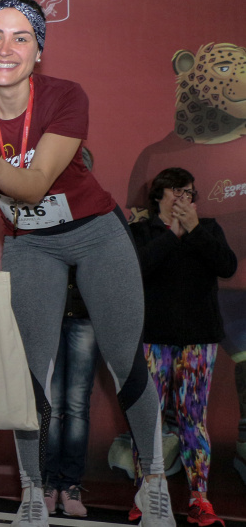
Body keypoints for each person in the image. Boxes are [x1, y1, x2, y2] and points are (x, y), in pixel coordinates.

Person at [0, 0, 173, 527]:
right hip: (30, 243)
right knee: (29, 374)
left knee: (124, 360)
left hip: (94, 233)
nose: (5, 48)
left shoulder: (64, 96)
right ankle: (31, 493)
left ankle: (154, 485)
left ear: (38, 53)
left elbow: (33, 187)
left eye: (21, 38)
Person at [130, 167, 237, 527]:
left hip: (199, 339)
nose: (183, 198)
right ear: (159, 194)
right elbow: (137, 269)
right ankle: (145, 496)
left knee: (193, 419)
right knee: (148, 419)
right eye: (176, 191)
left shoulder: (207, 228)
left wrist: (191, 229)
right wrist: (172, 233)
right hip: (153, 338)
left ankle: (199, 499)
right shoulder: (141, 231)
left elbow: (227, 265)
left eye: (189, 192)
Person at [43, 266, 98, 518]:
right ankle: (48, 483)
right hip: (48, 313)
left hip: (86, 314)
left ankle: (71, 485)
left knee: (77, 406)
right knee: (50, 406)